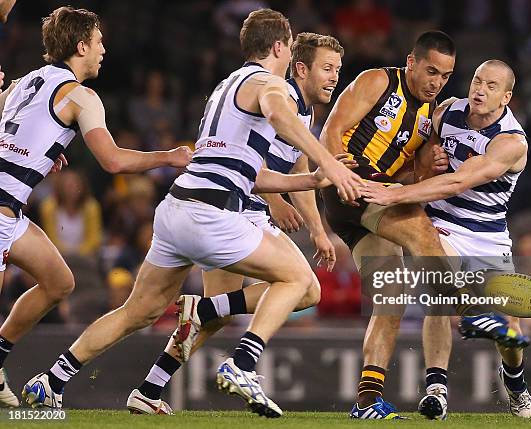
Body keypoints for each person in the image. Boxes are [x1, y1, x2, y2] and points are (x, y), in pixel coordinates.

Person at [23, 9, 361, 417]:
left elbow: (246, 169)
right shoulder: (270, 85)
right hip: (217, 215)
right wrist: (329, 162)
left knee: (140, 311)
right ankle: (243, 363)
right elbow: (277, 113)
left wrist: (306, 183)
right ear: (279, 47)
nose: (292, 56)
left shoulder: (227, 84)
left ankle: (56, 380)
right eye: (291, 48)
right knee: (303, 284)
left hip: (177, 208)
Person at [125, 31, 345, 415]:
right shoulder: (278, 95)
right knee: (303, 288)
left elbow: (297, 165)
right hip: (237, 208)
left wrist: (317, 228)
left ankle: (150, 387)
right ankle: (241, 360)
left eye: (337, 70)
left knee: (219, 314)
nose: (333, 77)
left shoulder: (304, 108)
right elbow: (248, 161)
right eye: (327, 68)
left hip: (229, 207)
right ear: (300, 67)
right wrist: (275, 201)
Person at [320, 31, 529, 419]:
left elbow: (416, 174)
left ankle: (367, 401)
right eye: (431, 71)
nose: (437, 82)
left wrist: (417, 172)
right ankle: (470, 311)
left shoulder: (485, 132)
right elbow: (332, 128)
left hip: (481, 232)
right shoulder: (379, 81)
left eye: (445, 75)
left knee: (391, 295)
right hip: (354, 185)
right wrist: (340, 175)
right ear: (411, 62)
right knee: (423, 235)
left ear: (506, 97)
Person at [0, 6, 192, 407]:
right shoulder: (81, 97)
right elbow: (114, 161)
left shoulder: (27, 81)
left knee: (59, 282)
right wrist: (169, 156)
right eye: (99, 41)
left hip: (11, 210)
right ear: (81, 45)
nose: (104, 48)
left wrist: (41, 148)